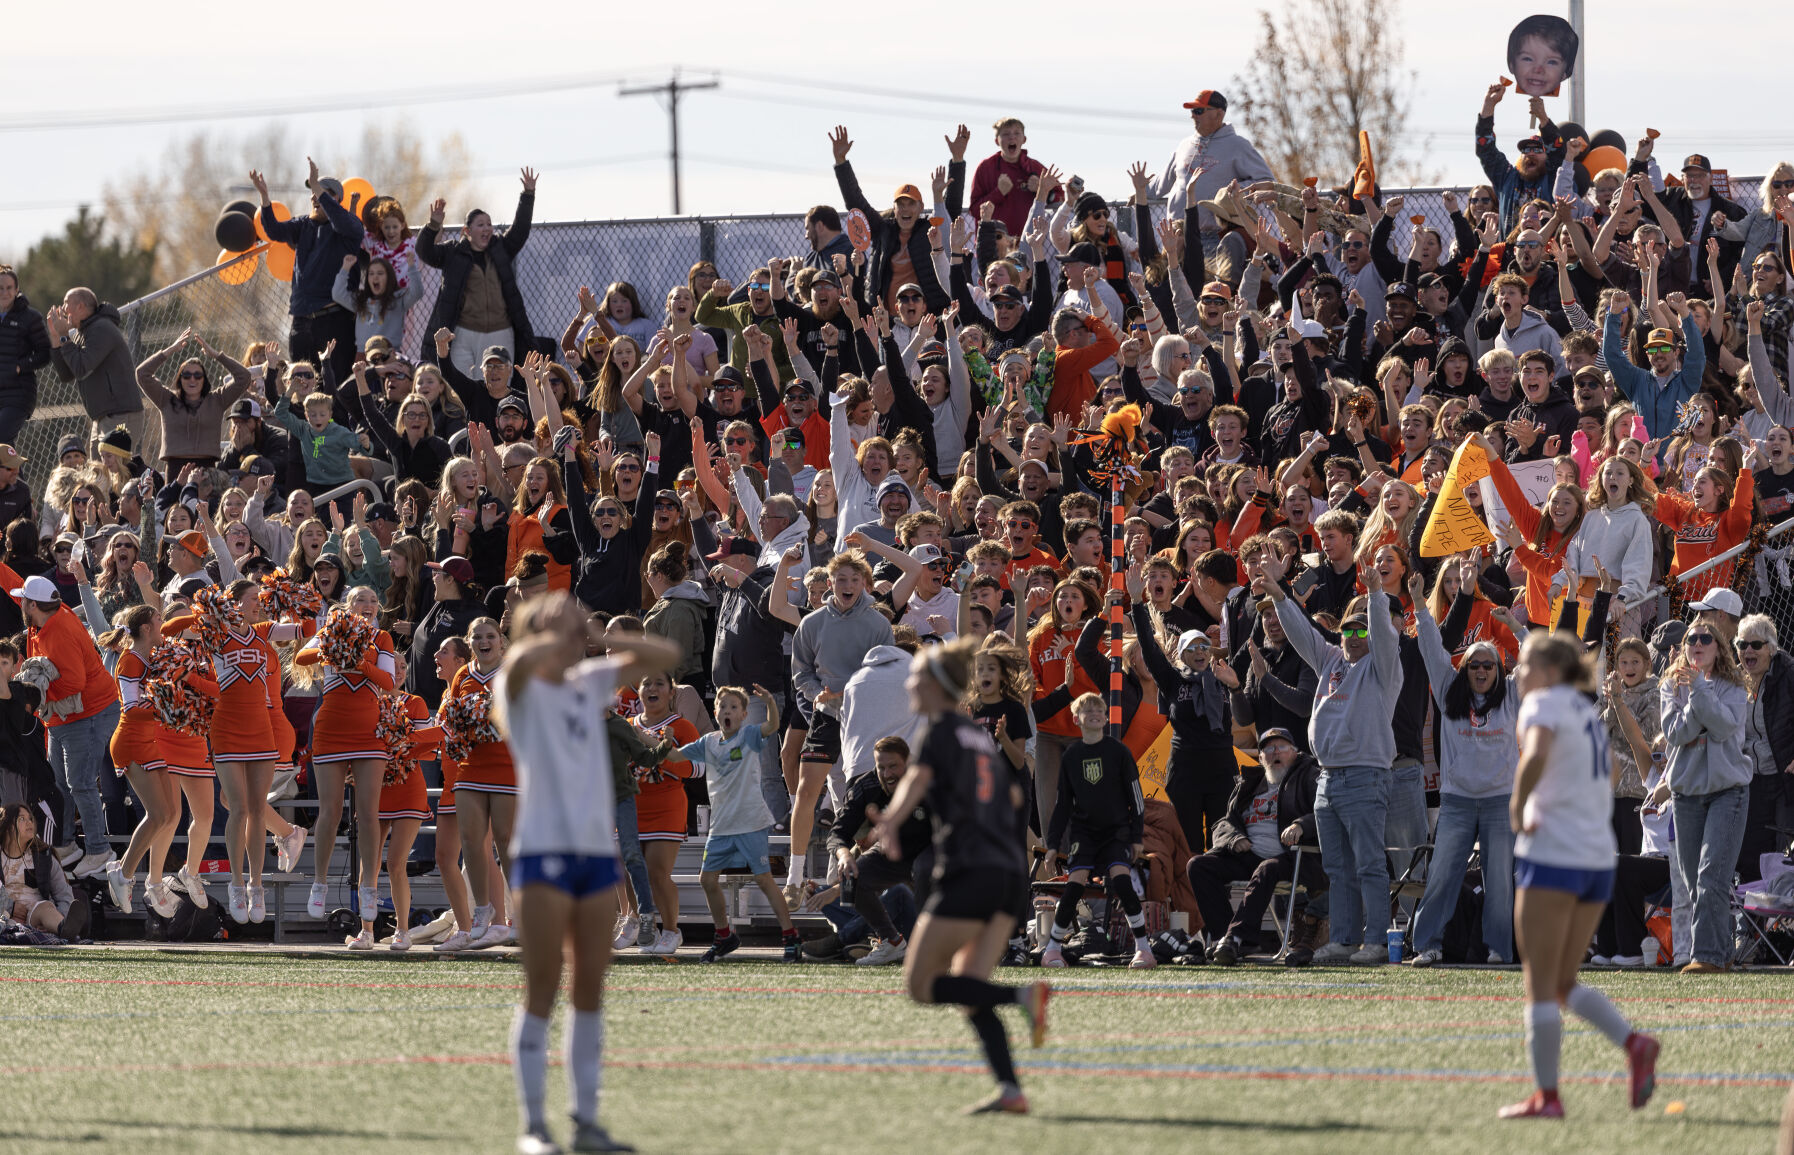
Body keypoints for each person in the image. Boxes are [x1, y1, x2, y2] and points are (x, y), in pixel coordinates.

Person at [495, 591, 678, 1155]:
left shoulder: (587, 681)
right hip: (544, 852)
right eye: (557, 618)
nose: (572, 623)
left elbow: (664, 651)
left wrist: (596, 638)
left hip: (596, 854)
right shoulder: (520, 684)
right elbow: (522, 660)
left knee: (591, 990)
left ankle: (586, 1120)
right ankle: (533, 1125)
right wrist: (558, 631)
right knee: (542, 989)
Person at [870, 637, 1051, 1116]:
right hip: (1009, 874)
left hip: (970, 871)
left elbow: (914, 779)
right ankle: (1011, 1091)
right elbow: (1012, 799)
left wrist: (890, 819)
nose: (909, 681)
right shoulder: (979, 736)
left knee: (921, 985)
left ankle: (1023, 994)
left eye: (916, 675)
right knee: (970, 988)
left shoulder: (943, 730)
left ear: (935, 685)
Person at [1500, 631, 1659, 1120]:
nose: (1518, 675)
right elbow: (1611, 773)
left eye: (1524, 665)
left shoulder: (1543, 703)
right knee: (1563, 981)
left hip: (1554, 852)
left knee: (1540, 980)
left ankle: (1547, 1096)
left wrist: (1520, 804)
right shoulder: (1585, 714)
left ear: (1548, 671)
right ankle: (1635, 1044)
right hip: (1595, 856)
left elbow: (1537, 753)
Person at [1256, 553, 1402, 966]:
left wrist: (1375, 595)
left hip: (1365, 775)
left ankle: (1374, 940)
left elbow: (1387, 637)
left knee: (1370, 864)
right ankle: (1343, 938)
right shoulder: (1331, 661)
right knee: (1337, 867)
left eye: (1362, 630)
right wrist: (1278, 593)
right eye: (1348, 630)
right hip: (1328, 779)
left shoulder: (1383, 666)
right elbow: (1303, 633)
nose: (1354, 635)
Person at [1407, 563, 1520, 966]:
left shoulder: (1511, 696)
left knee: (1499, 884)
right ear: (1464, 669)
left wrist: (1515, 627)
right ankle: (1428, 945)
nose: (1482, 671)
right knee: (1441, 877)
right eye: (1474, 664)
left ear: (1499, 669)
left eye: (1489, 664)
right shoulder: (1449, 692)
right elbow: (1431, 648)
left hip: (1499, 801)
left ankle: (1498, 950)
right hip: (1456, 801)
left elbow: (1540, 663)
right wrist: (1420, 601)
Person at [0, 569, 120, 877]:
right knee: (58, 784)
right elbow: (17, 584)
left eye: (23, 601)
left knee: (80, 784)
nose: (20, 603)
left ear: (32, 606)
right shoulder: (49, 610)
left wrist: (35, 694)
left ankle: (99, 850)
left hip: (89, 715)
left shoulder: (59, 632)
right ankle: (65, 844)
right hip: (66, 718)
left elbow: (74, 683)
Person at [294, 592, 398, 947]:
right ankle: (320, 882)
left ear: (377, 608)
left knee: (369, 812)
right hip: (331, 728)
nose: (368, 603)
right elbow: (302, 656)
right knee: (331, 810)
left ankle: (369, 885)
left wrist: (358, 663)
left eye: (373, 599)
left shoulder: (381, 637)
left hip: (369, 730)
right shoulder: (330, 629)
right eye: (360, 599)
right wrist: (334, 647)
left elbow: (388, 682)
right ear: (347, 607)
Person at [673, 684, 801, 963]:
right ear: (715, 711)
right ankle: (724, 936)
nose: (727, 711)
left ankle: (790, 936)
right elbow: (672, 756)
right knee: (707, 880)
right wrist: (648, 740)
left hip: (751, 821)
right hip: (720, 826)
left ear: (743, 714)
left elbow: (773, 725)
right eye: (722, 706)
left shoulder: (749, 735)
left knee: (764, 879)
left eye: (733, 707)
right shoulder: (707, 742)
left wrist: (769, 701)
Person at [1186, 726, 1323, 964]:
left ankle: (1237, 937)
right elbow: (1224, 822)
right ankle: (1226, 940)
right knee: (1198, 865)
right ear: (1260, 758)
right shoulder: (1249, 783)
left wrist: (1301, 825)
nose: (1275, 753)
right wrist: (1234, 838)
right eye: (1268, 749)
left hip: (1291, 856)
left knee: (1267, 868)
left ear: (1294, 752)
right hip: (1248, 853)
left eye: (1281, 747)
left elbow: (1324, 811)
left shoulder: (1308, 775)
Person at [1659, 620, 1750, 974]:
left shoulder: (1733, 685)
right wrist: (1700, 699)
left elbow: (1726, 727)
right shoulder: (1670, 686)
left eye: (1705, 638)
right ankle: (1723, 952)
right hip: (1687, 795)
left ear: (1719, 647)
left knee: (1712, 875)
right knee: (1696, 883)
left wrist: (1698, 689)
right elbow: (1675, 733)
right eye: (1691, 639)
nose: (1697, 643)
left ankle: (1707, 957)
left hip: (1728, 792)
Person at [1039, 692, 1154, 970]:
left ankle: (1144, 949)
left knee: (1122, 880)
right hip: (1084, 834)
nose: (1094, 712)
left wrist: (1136, 835)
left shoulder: (1119, 751)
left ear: (1106, 717)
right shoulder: (1071, 756)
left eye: (1099, 709)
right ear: (1076, 719)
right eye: (1086, 709)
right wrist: (1053, 843)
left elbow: (1136, 797)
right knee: (1075, 883)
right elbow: (1063, 803)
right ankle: (1053, 950)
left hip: (1116, 832)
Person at [417, 169, 538, 379]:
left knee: (498, 386)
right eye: (480, 225)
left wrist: (527, 195)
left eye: (489, 224)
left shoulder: (501, 248)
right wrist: (433, 224)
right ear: (466, 231)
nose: (487, 229)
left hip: (500, 332)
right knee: (460, 386)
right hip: (463, 333)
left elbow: (520, 230)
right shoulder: (453, 252)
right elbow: (424, 251)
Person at [251, 160, 365, 384]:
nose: (314, 197)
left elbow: (343, 221)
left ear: (337, 201)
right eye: (312, 192)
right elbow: (274, 229)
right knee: (301, 386)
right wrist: (264, 197)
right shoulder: (303, 225)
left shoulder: (349, 227)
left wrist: (316, 184)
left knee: (337, 386)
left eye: (322, 193)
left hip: (334, 321)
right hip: (301, 323)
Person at [133, 328, 258, 473]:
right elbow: (142, 374)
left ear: (204, 380)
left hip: (207, 469)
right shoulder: (167, 399)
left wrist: (217, 355)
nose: (192, 379)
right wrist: (171, 350)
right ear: (180, 379)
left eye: (198, 375)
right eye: (186, 375)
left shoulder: (217, 400)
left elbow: (244, 377)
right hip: (176, 468)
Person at [45, 287, 146, 461]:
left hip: (120, 415)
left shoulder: (101, 328)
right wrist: (56, 336)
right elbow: (66, 375)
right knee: (98, 478)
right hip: (101, 418)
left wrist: (64, 336)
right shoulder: (82, 332)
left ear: (80, 307)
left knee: (114, 475)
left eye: (66, 304)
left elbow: (81, 367)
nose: (62, 309)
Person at [1148, 91, 1275, 228]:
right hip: (1178, 236)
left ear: (1219, 114)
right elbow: (1161, 183)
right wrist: (1140, 192)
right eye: (1192, 111)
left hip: (1215, 235)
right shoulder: (1184, 145)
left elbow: (1266, 182)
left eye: (1198, 110)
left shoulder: (1237, 145)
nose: (1193, 115)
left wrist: (1233, 192)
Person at [0, 265, 52, 445]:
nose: (4, 292)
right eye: (0, 288)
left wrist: (20, 366)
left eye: (9, 288)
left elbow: (45, 353)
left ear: (16, 290)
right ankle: (17, 474)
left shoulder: (29, 317)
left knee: (1, 438)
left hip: (19, 394)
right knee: (5, 448)